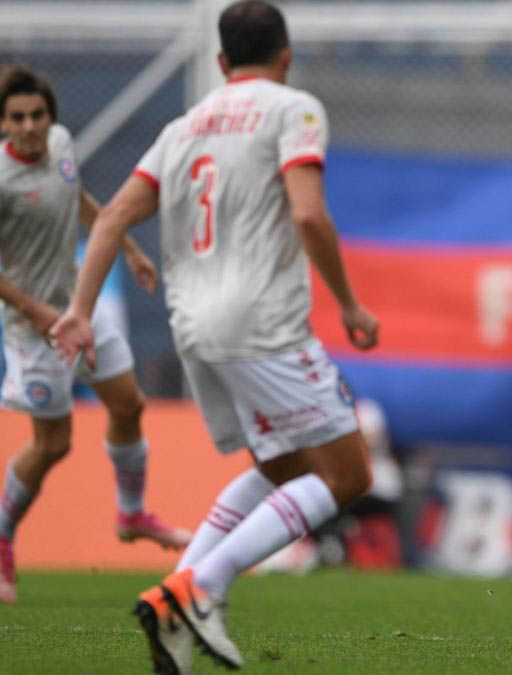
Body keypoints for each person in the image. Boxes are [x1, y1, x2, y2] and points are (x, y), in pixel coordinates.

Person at [51, 2, 380, 671]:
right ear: (285, 55)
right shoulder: (294, 109)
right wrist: (348, 301)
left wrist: (81, 310)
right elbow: (309, 214)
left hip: (193, 329)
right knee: (347, 473)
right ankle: (203, 586)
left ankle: (175, 601)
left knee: (279, 467)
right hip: (264, 322)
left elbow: (112, 215)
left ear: (222, 62)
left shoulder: (183, 127)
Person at [0, 64, 191, 605]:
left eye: (38, 115)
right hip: (31, 329)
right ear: (3, 123)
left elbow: (75, 195)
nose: (30, 127)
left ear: (51, 119)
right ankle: (2, 535)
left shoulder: (60, 144)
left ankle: (131, 515)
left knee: (129, 405)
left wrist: (126, 247)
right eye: (18, 118)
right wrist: (35, 311)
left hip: (80, 309)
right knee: (53, 444)